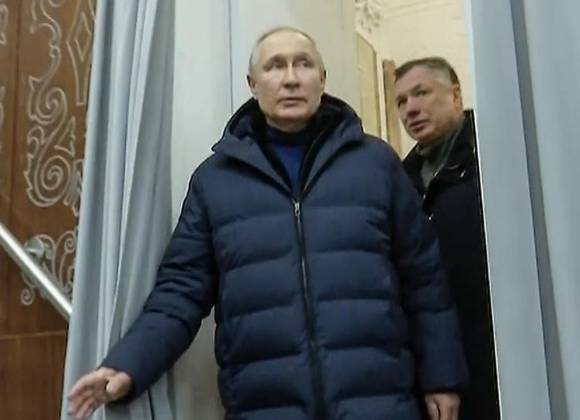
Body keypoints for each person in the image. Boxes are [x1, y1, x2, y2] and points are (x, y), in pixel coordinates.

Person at [68, 28, 467, 420]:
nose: (291, 78)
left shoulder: (376, 164)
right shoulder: (215, 182)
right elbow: (180, 292)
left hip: (379, 402)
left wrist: (442, 378)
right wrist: (128, 365)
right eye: (275, 66)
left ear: (322, 79)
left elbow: (424, 281)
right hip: (264, 406)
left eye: (303, 64)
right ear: (253, 84)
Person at [394, 57, 500, 420]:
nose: (411, 109)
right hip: (441, 360)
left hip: (499, 344)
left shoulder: (493, 156)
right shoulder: (401, 180)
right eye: (401, 101)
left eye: (421, 93)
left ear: (455, 95)